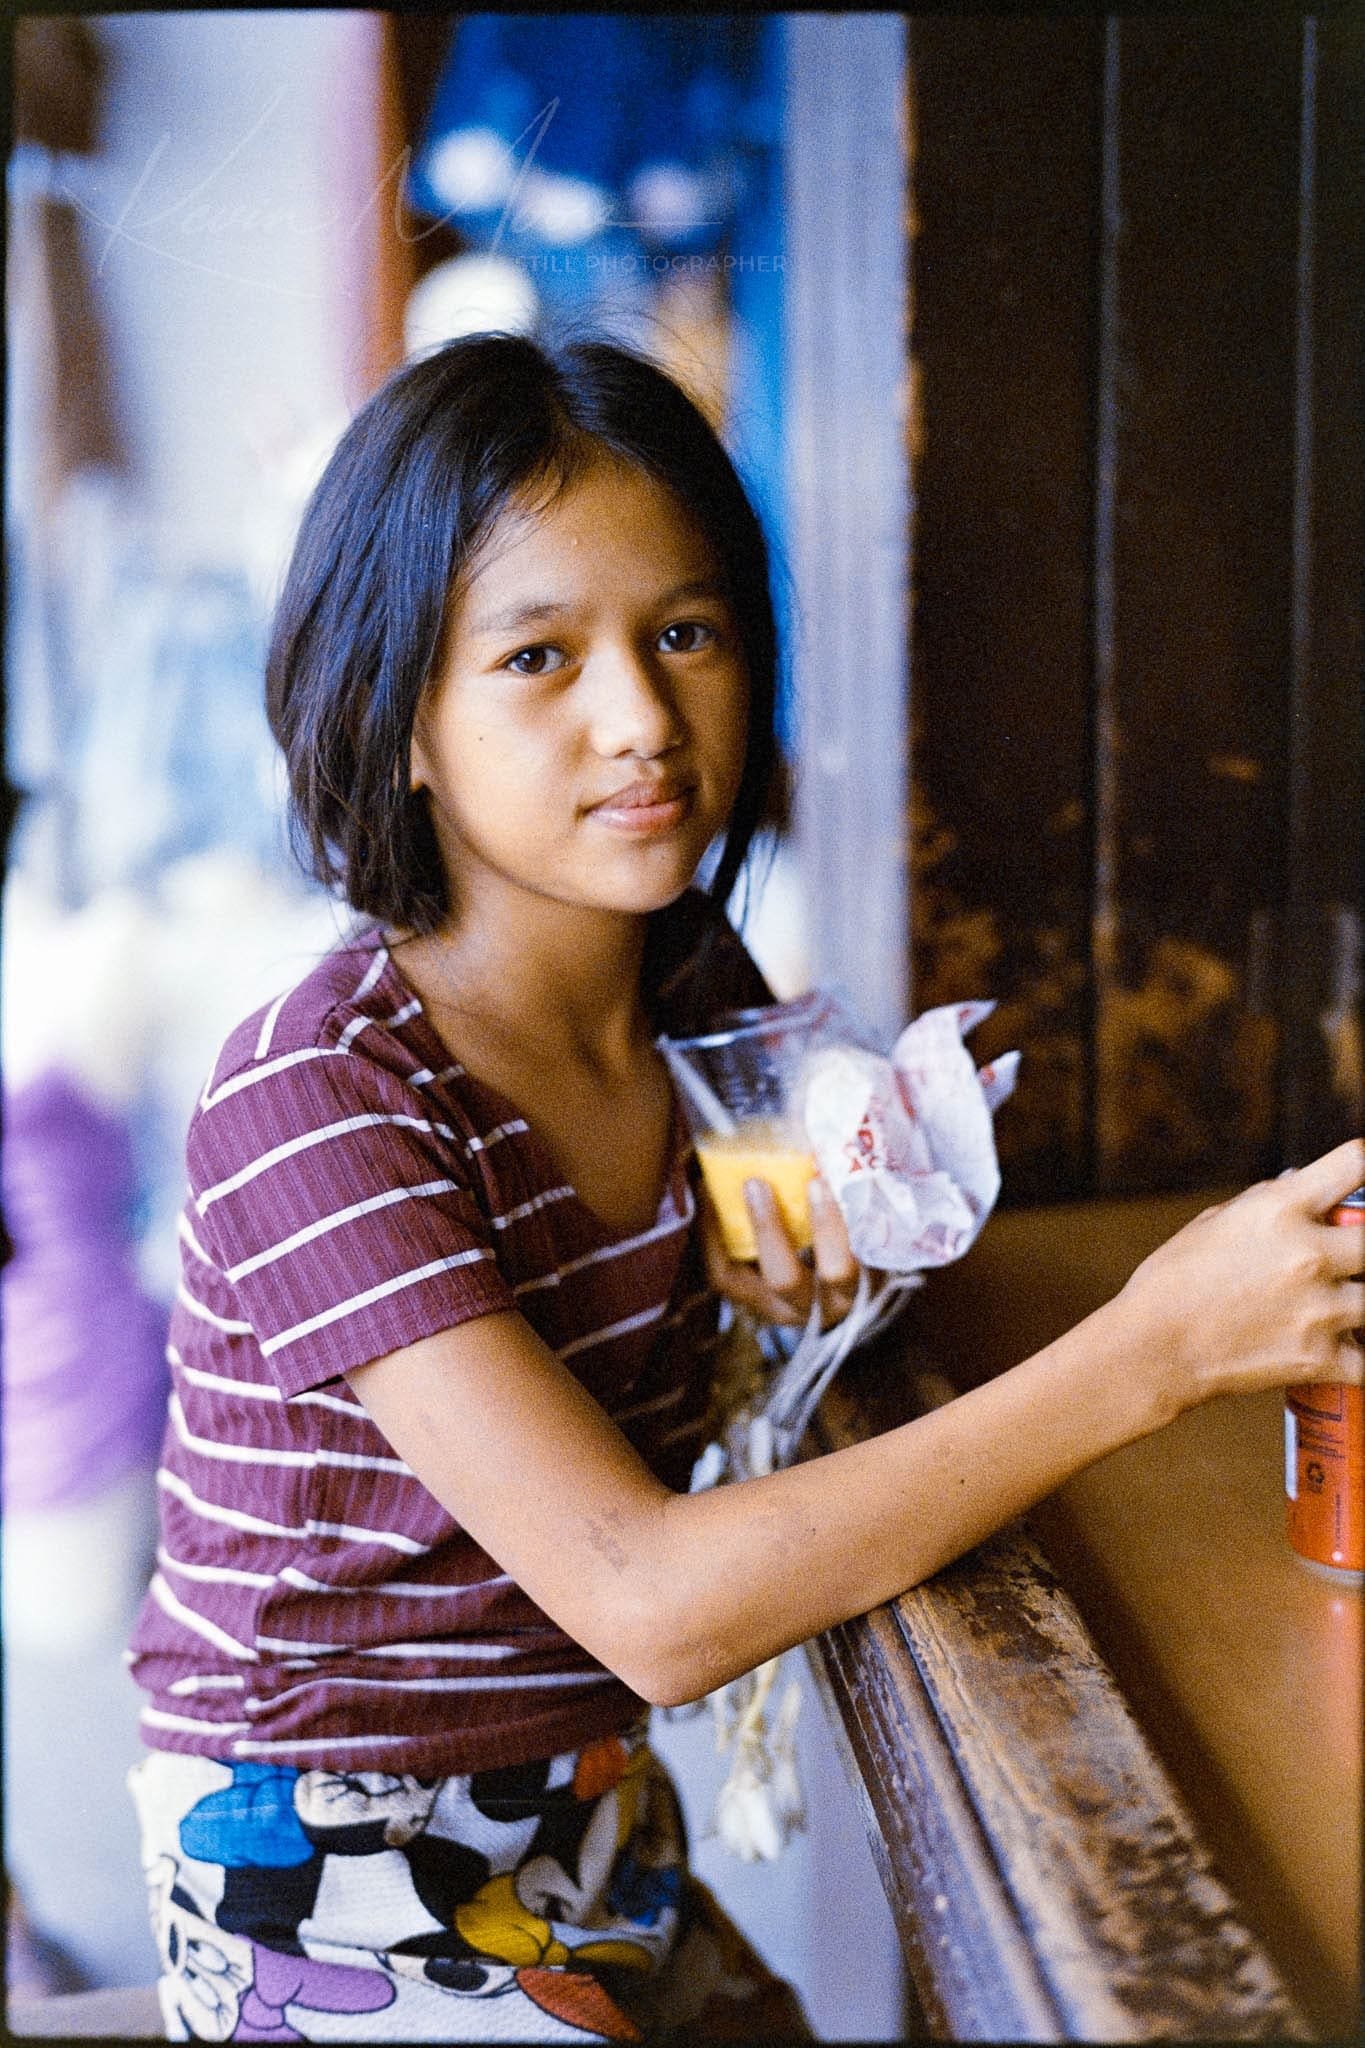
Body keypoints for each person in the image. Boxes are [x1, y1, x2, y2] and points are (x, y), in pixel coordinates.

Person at [125, 333, 1364, 2043]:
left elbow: (790, 1292)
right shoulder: (322, 1097)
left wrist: (820, 1271)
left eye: (685, 633)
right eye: (537, 657)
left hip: (592, 1815)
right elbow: (649, 1603)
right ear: (395, 714)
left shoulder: (695, 995)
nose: (640, 719)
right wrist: (1153, 1347)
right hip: (323, 1855)